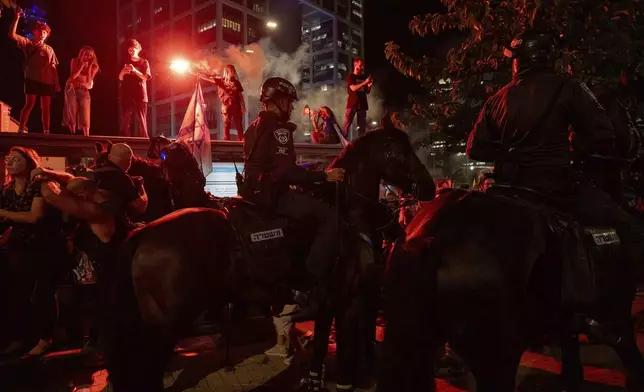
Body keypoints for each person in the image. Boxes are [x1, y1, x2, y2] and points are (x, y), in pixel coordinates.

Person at [466, 29, 644, 281]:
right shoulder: (568, 86)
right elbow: (602, 133)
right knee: (632, 230)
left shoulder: (496, 99)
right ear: (546, 57)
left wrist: (510, 154)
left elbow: (474, 148)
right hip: (557, 186)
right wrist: (574, 150)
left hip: (509, 189)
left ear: (521, 60)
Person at [241, 77, 345, 318]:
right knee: (330, 217)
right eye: (289, 102)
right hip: (274, 196)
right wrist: (324, 177)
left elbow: (267, 164)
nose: (291, 107)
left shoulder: (253, 127)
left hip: (252, 194)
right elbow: (286, 171)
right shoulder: (280, 130)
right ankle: (306, 286)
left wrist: (307, 168)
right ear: (278, 102)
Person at [8, 8, 60, 134]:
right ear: (36, 32)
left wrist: (57, 83)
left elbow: (53, 67)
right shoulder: (28, 43)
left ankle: (46, 131)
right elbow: (12, 35)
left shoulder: (50, 49)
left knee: (46, 107)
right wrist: (17, 18)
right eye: (41, 31)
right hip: (31, 78)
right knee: (29, 104)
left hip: (46, 81)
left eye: (45, 33)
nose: (43, 34)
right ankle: (21, 128)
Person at [202, 64, 246, 141]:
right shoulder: (221, 81)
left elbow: (240, 95)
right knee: (226, 124)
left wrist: (243, 106)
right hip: (226, 106)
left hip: (236, 106)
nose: (232, 72)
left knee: (239, 125)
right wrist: (200, 76)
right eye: (231, 70)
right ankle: (226, 140)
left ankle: (241, 139)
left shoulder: (236, 82)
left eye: (233, 70)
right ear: (227, 71)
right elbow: (210, 79)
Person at [63, 46, 99, 136]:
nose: (87, 57)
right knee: (71, 108)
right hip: (71, 86)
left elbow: (89, 80)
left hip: (84, 87)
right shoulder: (75, 61)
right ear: (81, 55)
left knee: (85, 109)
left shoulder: (95, 66)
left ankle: (86, 135)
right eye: (85, 55)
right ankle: (73, 133)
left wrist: (89, 68)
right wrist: (81, 66)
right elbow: (72, 77)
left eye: (90, 56)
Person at [119, 39, 151, 138]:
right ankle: (124, 140)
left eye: (133, 49)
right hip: (127, 93)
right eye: (129, 50)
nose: (131, 51)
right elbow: (120, 78)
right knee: (125, 119)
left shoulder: (144, 62)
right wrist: (123, 72)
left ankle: (144, 140)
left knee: (141, 119)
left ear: (138, 49)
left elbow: (146, 77)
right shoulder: (125, 62)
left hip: (140, 94)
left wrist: (134, 70)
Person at [343, 57, 373, 139]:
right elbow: (353, 88)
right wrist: (365, 83)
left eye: (362, 66)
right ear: (355, 65)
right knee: (347, 123)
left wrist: (369, 86)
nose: (362, 67)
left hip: (362, 104)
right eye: (360, 65)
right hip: (352, 103)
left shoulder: (364, 77)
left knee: (362, 126)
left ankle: (361, 143)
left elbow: (367, 91)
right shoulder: (351, 77)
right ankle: (342, 141)